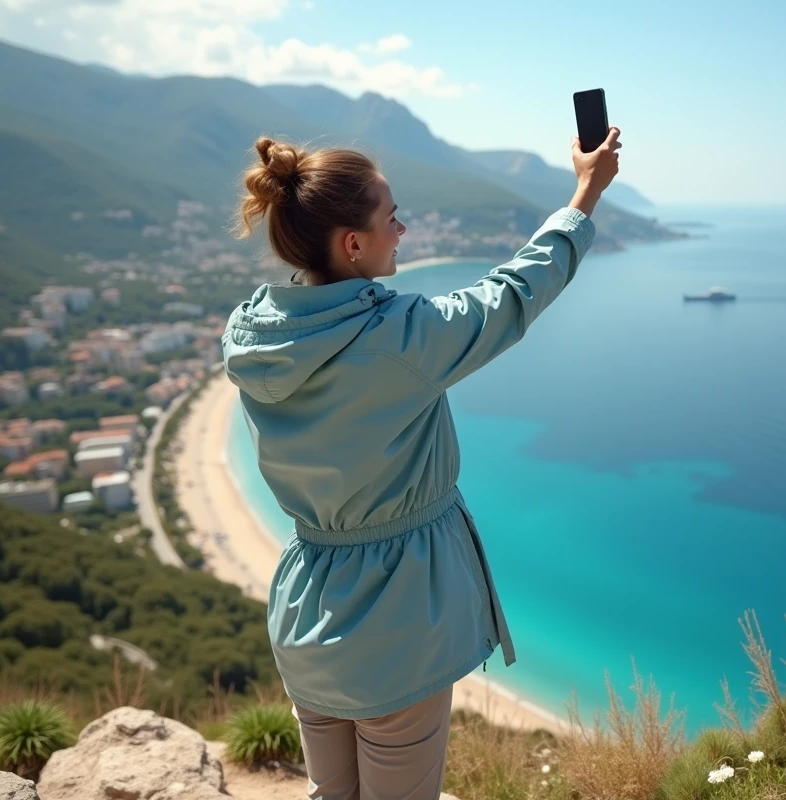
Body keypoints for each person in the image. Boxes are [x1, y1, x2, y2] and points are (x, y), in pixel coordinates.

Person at [221, 124, 622, 799]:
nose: (402, 230)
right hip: (396, 626)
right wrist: (585, 193)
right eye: (391, 217)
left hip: (304, 615)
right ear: (353, 243)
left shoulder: (255, 336)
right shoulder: (399, 341)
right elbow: (513, 295)